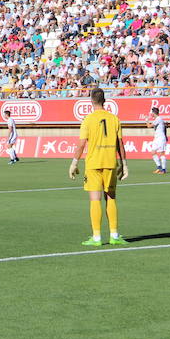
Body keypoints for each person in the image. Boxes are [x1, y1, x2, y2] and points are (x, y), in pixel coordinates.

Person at [69, 88, 129, 246]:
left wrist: (74, 163)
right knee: (110, 197)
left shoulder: (87, 120)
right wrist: (125, 164)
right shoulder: (114, 118)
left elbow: (81, 144)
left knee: (94, 199)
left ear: (91, 101)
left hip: (93, 164)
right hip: (110, 162)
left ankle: (96, 238)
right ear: (105, 101)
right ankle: (114, 235)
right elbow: (120, 144)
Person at [147, 107, 168, 174]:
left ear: (153, 113)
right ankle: (159, 167)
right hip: (156, 138)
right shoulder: (157, 119)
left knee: (162, 153)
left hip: (161, 138)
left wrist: (146, 121)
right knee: (153, 152)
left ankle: (164, 170)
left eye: (151, 113)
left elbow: (149, 126)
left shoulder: (159, 119)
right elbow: (164, 128)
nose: (151, 114)